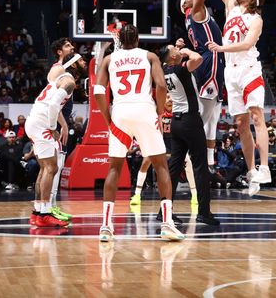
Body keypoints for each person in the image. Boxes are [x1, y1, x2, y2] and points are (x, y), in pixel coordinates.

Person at [94, 24, 185, 242]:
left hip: (120, 112)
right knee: (160, 164)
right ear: (137, 39)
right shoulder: (149, 56)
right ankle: (167, 224)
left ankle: (106, 226)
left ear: (120, 40)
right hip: (144, 109)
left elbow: (98, 91)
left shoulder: (108, 60)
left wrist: (109, 120)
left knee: (114, 168)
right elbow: (161, 86)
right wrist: (160, 112)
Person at [205, 0, 270, 196]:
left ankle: (265, 167)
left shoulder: (256, 19)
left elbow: (246, 44)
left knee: (256, 116)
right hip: (230, 73)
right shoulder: (231, 6)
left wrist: (221, 48)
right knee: (241, 124)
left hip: (248, 69)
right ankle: (252, 170)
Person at [179, 0, 227, 173]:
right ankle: (192, 159)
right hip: (211, 61)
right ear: (186, 6)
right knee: (203, 117)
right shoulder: (196, 11)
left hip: (207, 61)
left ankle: (207, 163)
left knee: (213, 116)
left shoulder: (191, 22)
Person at [160, 44, 219, 225]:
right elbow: (199, 59)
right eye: (174, 50)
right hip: (190, 121)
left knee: (174, 168)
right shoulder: (180, 69)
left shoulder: (164, 70)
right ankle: (204, 212)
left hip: (176, 123)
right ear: (172, 58)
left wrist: (178, 52)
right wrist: (187, 52)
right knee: (200, 167)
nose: (178, 50)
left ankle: (162, 211)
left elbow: (177, 60)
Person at [25, 52, 85, 227]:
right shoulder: (69, 81)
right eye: (81, 60)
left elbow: (54, 105)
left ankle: (37, 212)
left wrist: (63, 126)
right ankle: (45, 214)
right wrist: (52, 129)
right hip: (41, 124)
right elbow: (52, 105)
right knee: (51, 167)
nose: (84, 62)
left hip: (35, 121)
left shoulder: (62, 79)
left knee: (45, 168)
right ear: (73, 65)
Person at [47, 37, 77, 221]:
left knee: (58, 165)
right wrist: (62, 124)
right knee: (53, 166)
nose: (72, 47)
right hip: (56, 122)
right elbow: (51, 100)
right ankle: (48, 207)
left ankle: (52, 206)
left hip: (60, 120)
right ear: (59, 51)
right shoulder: (57, 69)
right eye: (67, 45)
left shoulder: (66, 68)